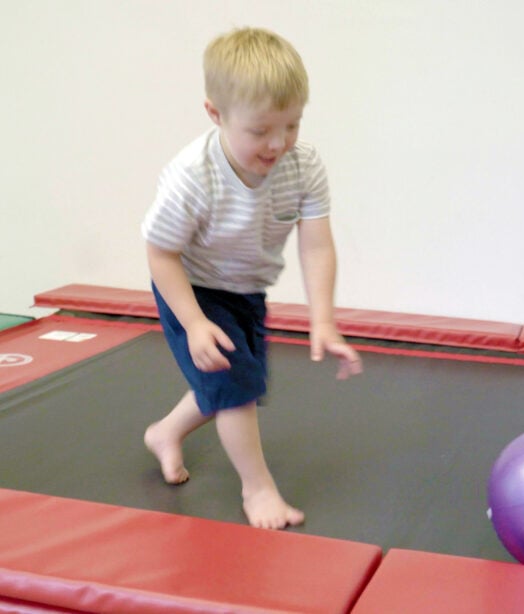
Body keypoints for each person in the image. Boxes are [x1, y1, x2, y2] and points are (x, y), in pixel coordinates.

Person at [141, 27, 362, 530]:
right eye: (261, 130)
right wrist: (194, 323)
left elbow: (316, 242)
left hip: (244, 288)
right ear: (216, 114)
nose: (278, 143)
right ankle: (257, 489)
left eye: (292, 125)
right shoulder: (191, 176)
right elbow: (160, 253)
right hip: (190, 285)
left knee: (233, 380)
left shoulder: (302, 164)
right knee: (236, 385)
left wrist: (323, 320)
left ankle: (164, 432)